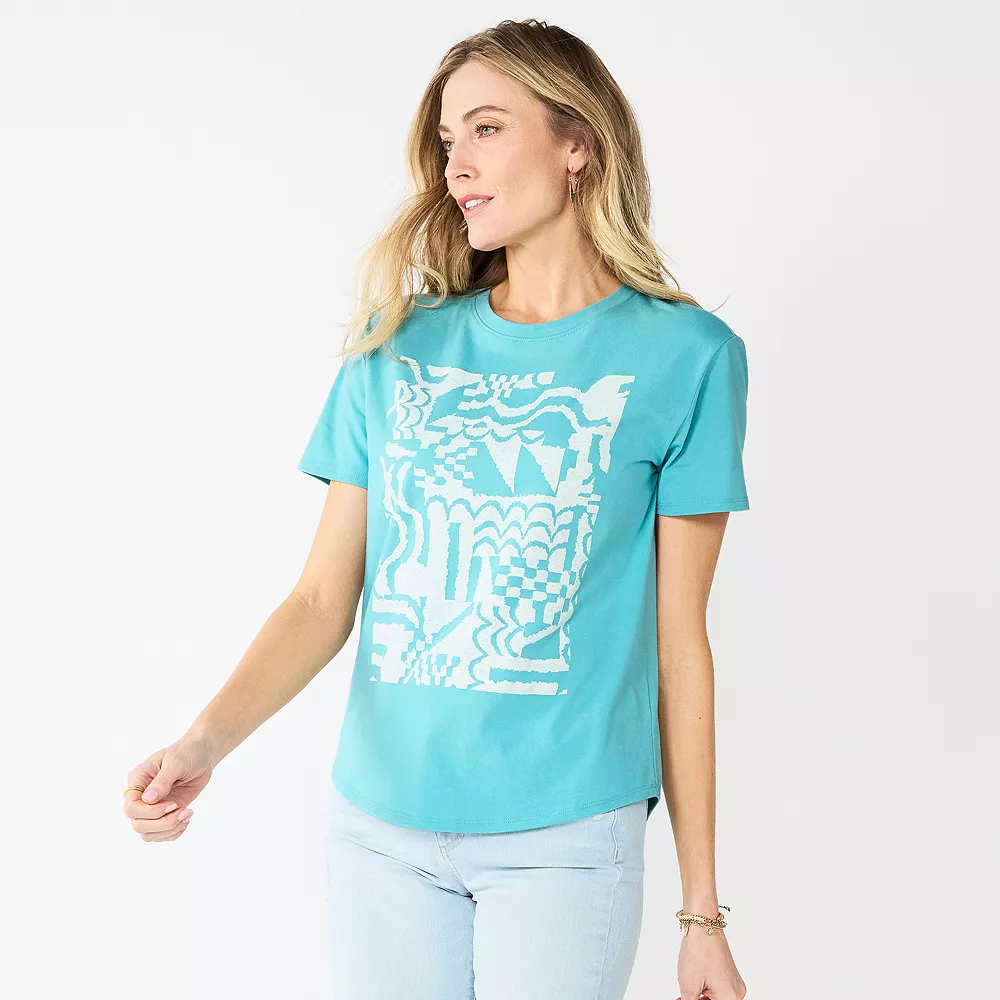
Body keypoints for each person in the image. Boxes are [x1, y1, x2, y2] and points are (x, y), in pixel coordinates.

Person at [124, 18, 750, 1000]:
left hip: (564, 839)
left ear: (578, 143)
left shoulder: (688, 357)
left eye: (487, 129)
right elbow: (320, 599)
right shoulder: (396, 345)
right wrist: (200, 744)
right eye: (448, 140)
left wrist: (702, 913)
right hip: (379, 833)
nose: (457, 164)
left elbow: (680, 645)